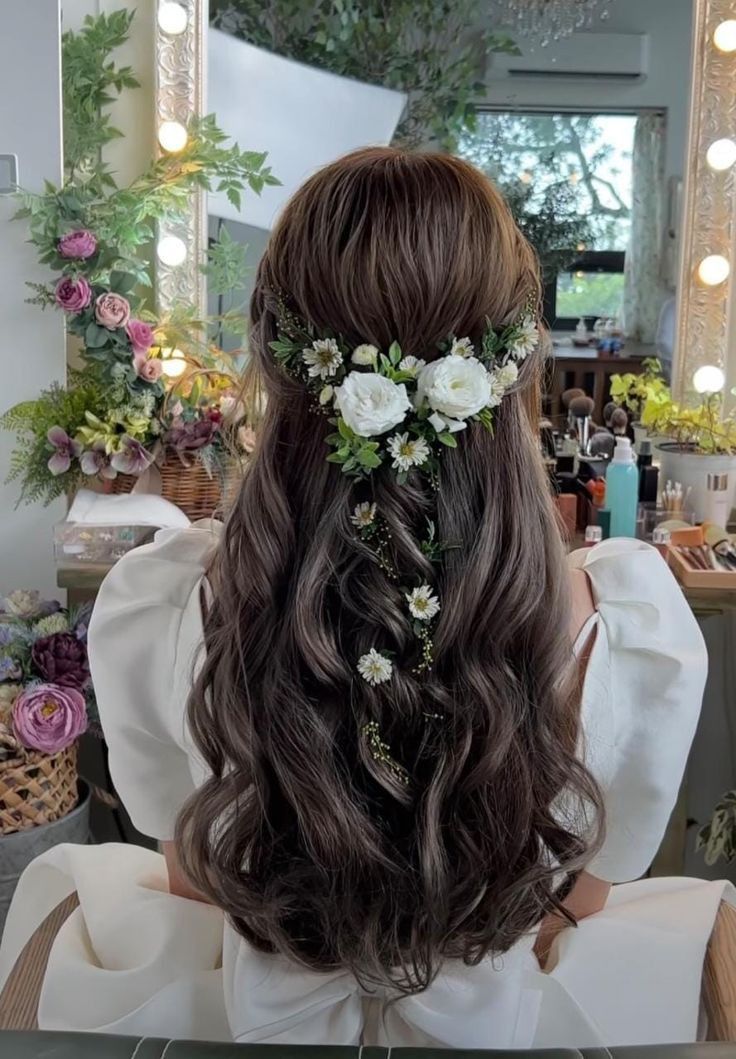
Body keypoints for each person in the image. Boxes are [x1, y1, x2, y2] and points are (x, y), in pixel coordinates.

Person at [0, 149, 721, 1047]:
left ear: (276, 356)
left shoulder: (170, 602)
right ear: (510, 362)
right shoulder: (626, 629)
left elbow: (195, 884)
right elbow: (577, 902)